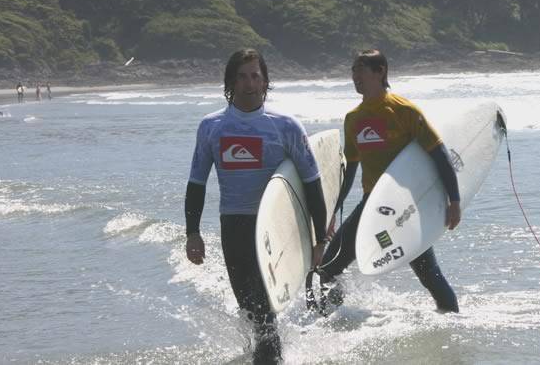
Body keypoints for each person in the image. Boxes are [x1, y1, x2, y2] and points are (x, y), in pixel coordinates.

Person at [183, 48, 329, 364]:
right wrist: (192, 233)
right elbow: (196, 183)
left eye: (256, 76)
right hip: (234, 227)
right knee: (250, 311)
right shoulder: (212, 126)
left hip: (275, 228)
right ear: (231, 82)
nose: (250, 83)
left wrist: (320, 239)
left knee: (265, 315)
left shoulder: (286, 126)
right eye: (243, 76)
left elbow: (314, 184)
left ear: (265, 81)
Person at [315, 49, 462, 314]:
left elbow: (440, 155)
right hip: (370, 205)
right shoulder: (353, 119)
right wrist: (333, 213)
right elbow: (350, 172)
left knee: (428, 274)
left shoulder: (404, 111)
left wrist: (454, 200)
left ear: (380, 71)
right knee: (329, 268)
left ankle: (452, 319)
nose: (355, 76)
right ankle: (333, 322)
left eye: (361, 70)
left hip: (404, 207)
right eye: (353, 71)